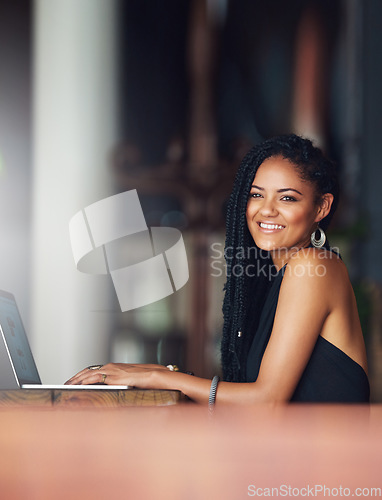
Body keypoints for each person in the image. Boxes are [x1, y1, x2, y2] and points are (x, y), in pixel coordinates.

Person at [66, 134, 370, 404]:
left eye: (287, 197)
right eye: (256, 194)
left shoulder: (313, 266)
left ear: (322, 207)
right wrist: (158, 371)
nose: (267, 209)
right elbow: (250, 397)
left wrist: (159, 379)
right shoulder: (281, 276)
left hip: (330, 464)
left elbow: (266, 402)